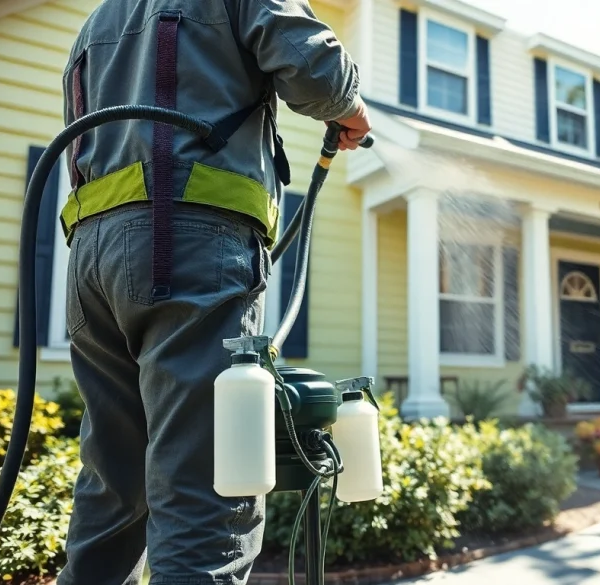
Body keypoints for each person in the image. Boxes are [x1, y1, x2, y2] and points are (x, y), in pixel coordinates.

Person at [54, 1, 370, 584]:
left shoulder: (98, 22)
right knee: (207, 483)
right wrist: (350, 107)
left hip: (92, 263)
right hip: (187, 246)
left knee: (112, 487)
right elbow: (316, 70)